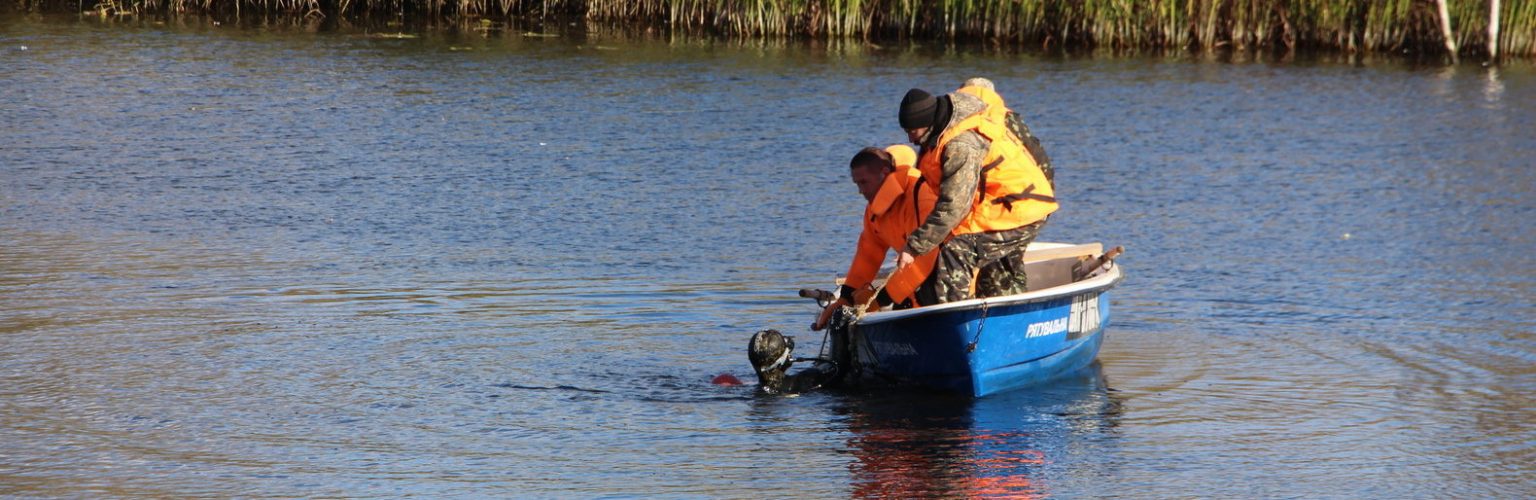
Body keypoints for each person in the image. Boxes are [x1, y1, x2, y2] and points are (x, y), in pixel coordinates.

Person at [893, 80, 1058, 304]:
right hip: (1006, 208)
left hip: (1019, 210)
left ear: (928, 122)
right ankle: (1003, 325)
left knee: (957, 249)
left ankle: (955, 321)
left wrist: (914, 246)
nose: (910, 139)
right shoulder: (942, 129)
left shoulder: (961, 145)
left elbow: (954, 205)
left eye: (913, 131)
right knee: (996, 277)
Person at [811, 144, 939, 331]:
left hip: (948, 272)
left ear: (885, 173)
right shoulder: (874, 211)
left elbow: (925, 260)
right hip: (912, 282)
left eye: (864, 182)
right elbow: (868, 255)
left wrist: (878, 300)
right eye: (857, 184)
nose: (860, 191)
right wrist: (846, 298)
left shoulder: (920, 195)